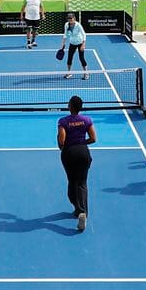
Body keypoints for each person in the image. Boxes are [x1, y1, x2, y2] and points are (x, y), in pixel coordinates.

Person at [58, 95, 97, 232]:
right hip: (83, 153)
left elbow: (62, 142)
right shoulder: (87, 120)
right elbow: (93, 138)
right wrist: (81, 143)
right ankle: (82, 213)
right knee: (82, 183)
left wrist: (64, 143)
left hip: (69, 153)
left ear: (70, 106)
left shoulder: (63, 121)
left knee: (72, 180)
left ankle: (77, 208)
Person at [61, 12, 89, 79]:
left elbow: (84, 34)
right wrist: (63, 43)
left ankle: (86, 73)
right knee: (69, 58)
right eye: (68, 18)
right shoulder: (66, 25)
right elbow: (65, 35)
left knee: (81, 58)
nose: (70, 19)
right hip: (72, 43)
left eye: (71, 18)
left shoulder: (78, 25)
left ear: (74, 18)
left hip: (80, 43)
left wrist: (83, 44)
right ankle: (69, 73)